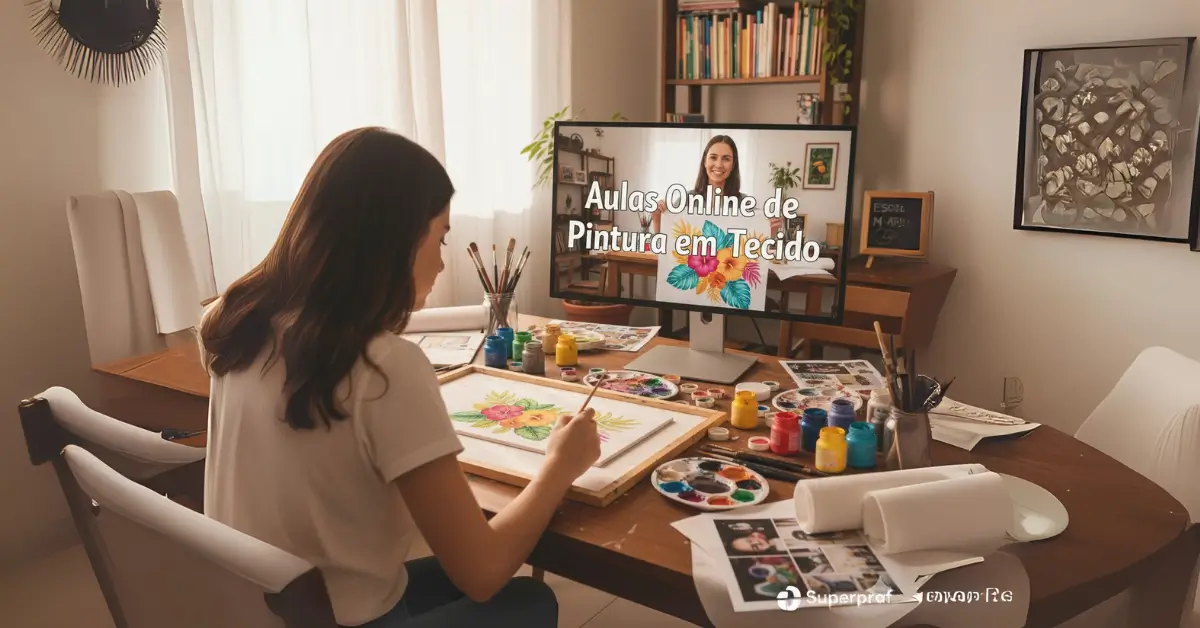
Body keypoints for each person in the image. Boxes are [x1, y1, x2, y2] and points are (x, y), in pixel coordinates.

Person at [198, 127, 601, 627]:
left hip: (260, 607)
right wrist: (560, 466)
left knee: (438, 577)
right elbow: (483, 572)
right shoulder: (384, 367)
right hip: (337, 616)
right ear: (393, 243)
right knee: (530, 600)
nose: (441, 259)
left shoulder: (231, 318)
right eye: (440, 237)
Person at [650, 134, 785, 236]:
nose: (719, 164)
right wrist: (657, 219)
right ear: (704, 161)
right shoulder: (686, 199)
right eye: (713, 157)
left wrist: (770, 231)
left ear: (733, 165)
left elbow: (756, 244)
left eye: (726, 159)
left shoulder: (745, 203)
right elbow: (666, 242)